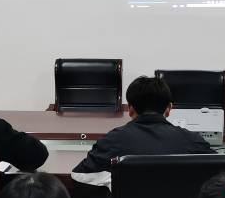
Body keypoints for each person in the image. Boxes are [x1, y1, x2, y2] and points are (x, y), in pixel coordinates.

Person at [72, 75, 214, 182]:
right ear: (169, 108)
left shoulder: (113, 140)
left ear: (130, 109)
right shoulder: (192, 141)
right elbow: (222, 172)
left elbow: (79, 175)